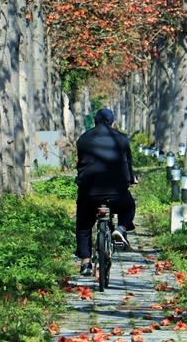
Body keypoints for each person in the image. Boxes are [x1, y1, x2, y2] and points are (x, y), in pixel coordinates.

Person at [74, 107, 138, 276]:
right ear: (112, 123)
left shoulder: (83, 139)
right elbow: (127, 163)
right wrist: (131, 178)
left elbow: (82, 164)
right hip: (116, 192)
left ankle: (85, 262)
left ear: (94, 123)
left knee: (83, 224)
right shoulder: (122, 139)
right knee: (129, 206)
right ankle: (121, 229)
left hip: (89, 191)